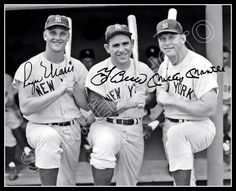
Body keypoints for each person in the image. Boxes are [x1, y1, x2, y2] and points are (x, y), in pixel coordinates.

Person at [12, 15, 89, 186]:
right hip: (40, 127)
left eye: (62, 33)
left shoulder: (77, 66)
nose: (57, 37)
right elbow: (25, 107)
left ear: (68, 37)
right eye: (52, 32)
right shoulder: (29, 67)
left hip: (71, 128)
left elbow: (85, 105)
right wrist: (60, 90)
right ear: (44, 35)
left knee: (68, 182)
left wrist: (75, 87)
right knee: (49, 137)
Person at [85, 24, 156, 185]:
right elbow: (96, 107)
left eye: (125, 43)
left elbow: (154, 98)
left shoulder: (143, 69)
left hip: (135, 128)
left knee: (128, 182)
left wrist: (146, 99)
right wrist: (127, 103)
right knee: (104, 146)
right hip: (107, 125)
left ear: (132, 43)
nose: (121, 49)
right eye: (115, 45)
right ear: (107, 48)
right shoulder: (98, 71)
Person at [153, 19, 218, 185]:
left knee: (177, 135)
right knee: (182, 174)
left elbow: (209, 108)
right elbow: (161, 95)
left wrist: (172, 99)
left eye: (171, 37)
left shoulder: (200, 66)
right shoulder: (165, 65)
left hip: (199, 125)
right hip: (169, 125)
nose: (167, 43)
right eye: (162, 39)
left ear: (182, 39)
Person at [5, 73, 35, 180]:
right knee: (10, 138)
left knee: (15, 130)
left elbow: (10, 101)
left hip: (7, 112)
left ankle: (28, 155)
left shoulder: (6, 78)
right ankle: (12, 165)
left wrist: (19, 115)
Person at [222, 46, 231, 164]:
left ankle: (227, 154)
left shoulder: (229, 71)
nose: (224, 61)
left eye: (226, 58)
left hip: (227, 111)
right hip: (212, 113)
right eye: (222, 58)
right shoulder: (208, 70)